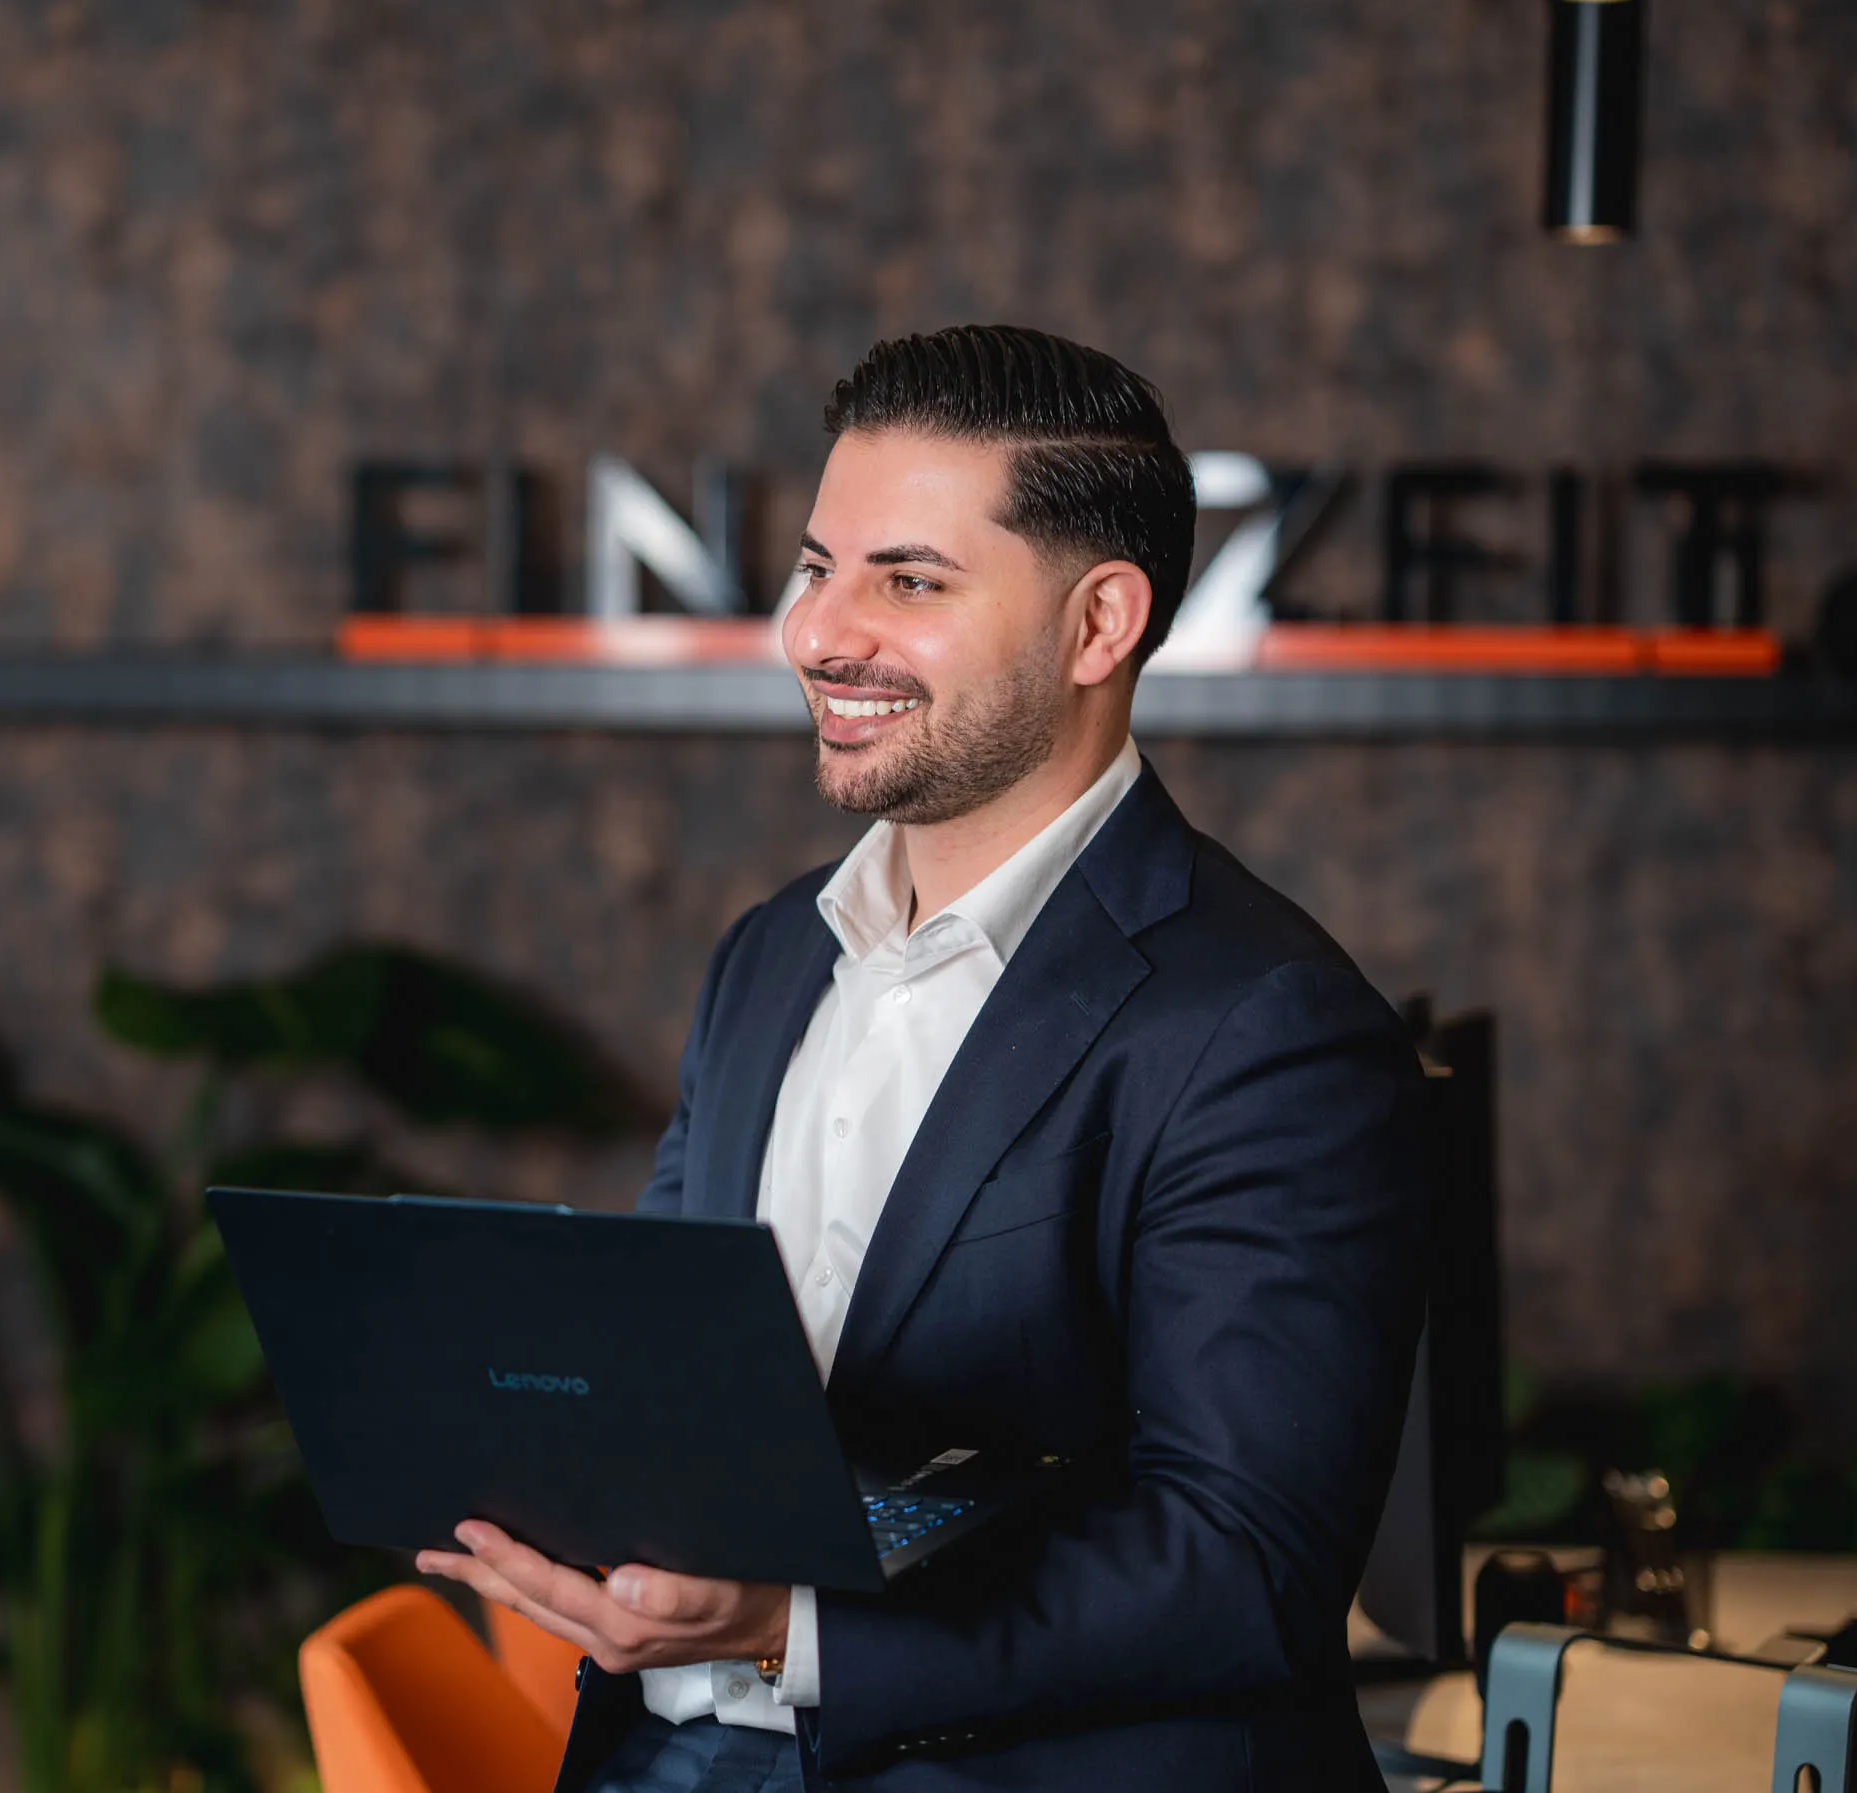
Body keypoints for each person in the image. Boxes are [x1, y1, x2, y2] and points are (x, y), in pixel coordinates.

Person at [417, 324, 1431, 1791]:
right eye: (817, 566)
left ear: (1098, 627)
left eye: (908, 581)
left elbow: (1240, 1564)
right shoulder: (770, 954)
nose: (821, 633)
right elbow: (673, 1369)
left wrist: (791, 1632)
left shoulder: (1265, 1026)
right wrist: (526, 1462)